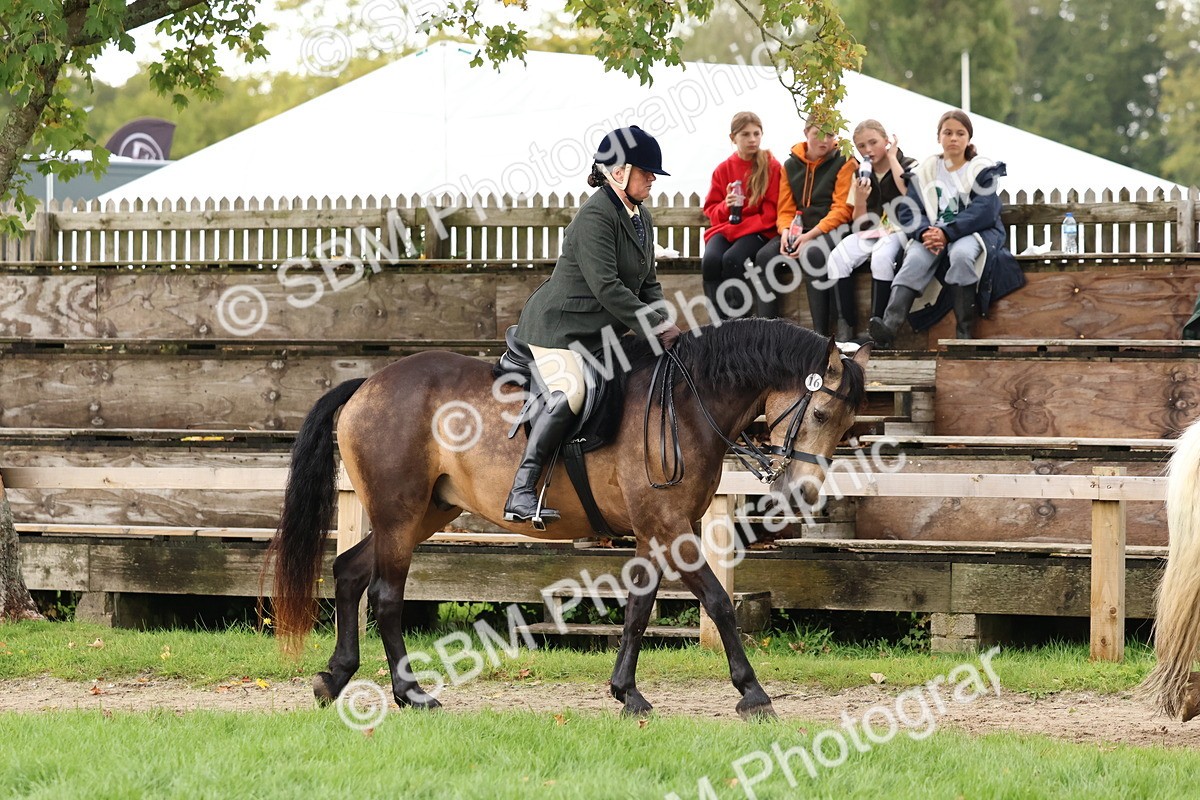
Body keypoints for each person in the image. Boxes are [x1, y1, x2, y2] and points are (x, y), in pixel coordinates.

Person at [503, 125, 683, 526]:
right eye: (646, 172)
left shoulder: (641, 216)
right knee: (571, 392)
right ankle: (521, 490)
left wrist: (666, 322)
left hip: (600, 333)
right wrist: (653, 325)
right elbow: (608, 287)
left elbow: (647, 281)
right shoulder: (594, 217)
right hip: (559, 331)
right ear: (619, 171)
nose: (653, 178)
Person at [870, 109, 1024, 344]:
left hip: (970, 232)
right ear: (938, 137)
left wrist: (947, 232)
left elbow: (983, 210)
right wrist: (924, 232)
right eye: (948, 132)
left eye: (960, 133)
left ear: (968, 139)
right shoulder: (926, 171)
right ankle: (890, 326)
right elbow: (909, 210)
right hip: (931, 234)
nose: (954, 138)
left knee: (962, 255)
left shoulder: (982, 170)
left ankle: (963, 332)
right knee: (914, 260)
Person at [753, 119, 857, 330]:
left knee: (813, 254)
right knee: (764, 256)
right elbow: (785, 209)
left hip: (833, 229)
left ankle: (821, 334)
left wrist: (809, 236)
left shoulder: (845, 161)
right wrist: (784, 233)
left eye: (830, 135)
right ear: (806, 132)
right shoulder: (791, 165)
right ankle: (767, 332)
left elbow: (842, 209)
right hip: (799, 229)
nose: (825, 140)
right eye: (819, 133)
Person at [824, 119, 916, 343]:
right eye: (861, 146)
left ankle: (878, 327)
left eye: (873, 142)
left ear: (886, 141)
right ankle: (846, 325)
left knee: (881, 257)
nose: (868, 150)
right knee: (837, 257)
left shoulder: (908, 163)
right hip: (873, 231)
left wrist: (893, 158)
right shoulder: (861, 174)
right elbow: (858, 223)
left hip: (899, 230)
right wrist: (861, 200)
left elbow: (910, 195)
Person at [700, 111, 782, 320]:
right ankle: (718, 326)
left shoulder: (771, 165)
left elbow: (771, 214)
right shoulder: (723, 169)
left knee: (733, 259)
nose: (752, 139)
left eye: (757, 133)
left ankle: (739, 324)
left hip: (759, 231)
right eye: (745, 134)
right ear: (733, 138)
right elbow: (712, 211)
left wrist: (737, 228)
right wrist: (726, 207)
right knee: (710, 261)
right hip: (728, 229)